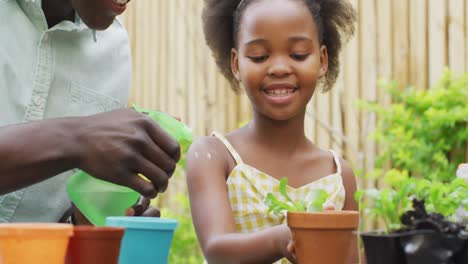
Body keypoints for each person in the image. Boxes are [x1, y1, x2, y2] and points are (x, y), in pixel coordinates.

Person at [186, 0, 358, 263]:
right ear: (236, 64)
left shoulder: (338, 174)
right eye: (259, 57)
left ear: (322, 60)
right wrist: (282, 238)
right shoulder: (214, 157)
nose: (279, 68)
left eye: (298, 54)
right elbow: (217, 249)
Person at [0, 0, 180, 223]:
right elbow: (80, 140)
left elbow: (62, 219)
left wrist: (94, 216)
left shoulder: (114, 50)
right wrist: (75, 139)